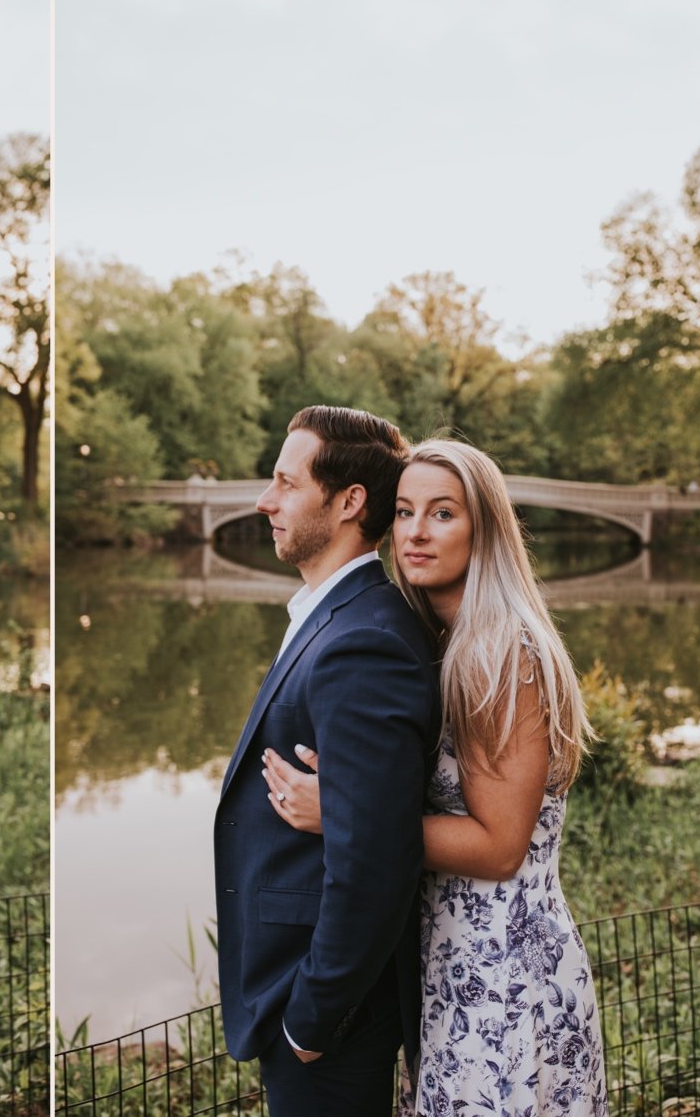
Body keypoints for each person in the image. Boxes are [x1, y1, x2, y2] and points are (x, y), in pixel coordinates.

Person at [263, 438, 609, 1115]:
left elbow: (500, 846)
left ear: (485, 529)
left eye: (443, 513)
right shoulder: (438, 642)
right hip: (451, 966)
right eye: (405, 512)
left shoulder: (498, 654)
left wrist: (346, 815)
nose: (416, 531)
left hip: (502, 970)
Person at [214, 406, 441, 1115]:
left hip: (327, 1015)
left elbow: (373, 858)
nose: (265, 500)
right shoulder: (329, 614)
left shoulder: (363, 641)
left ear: (348, 503)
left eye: (286, 483)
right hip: (296, 992)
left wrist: (311, 1019)